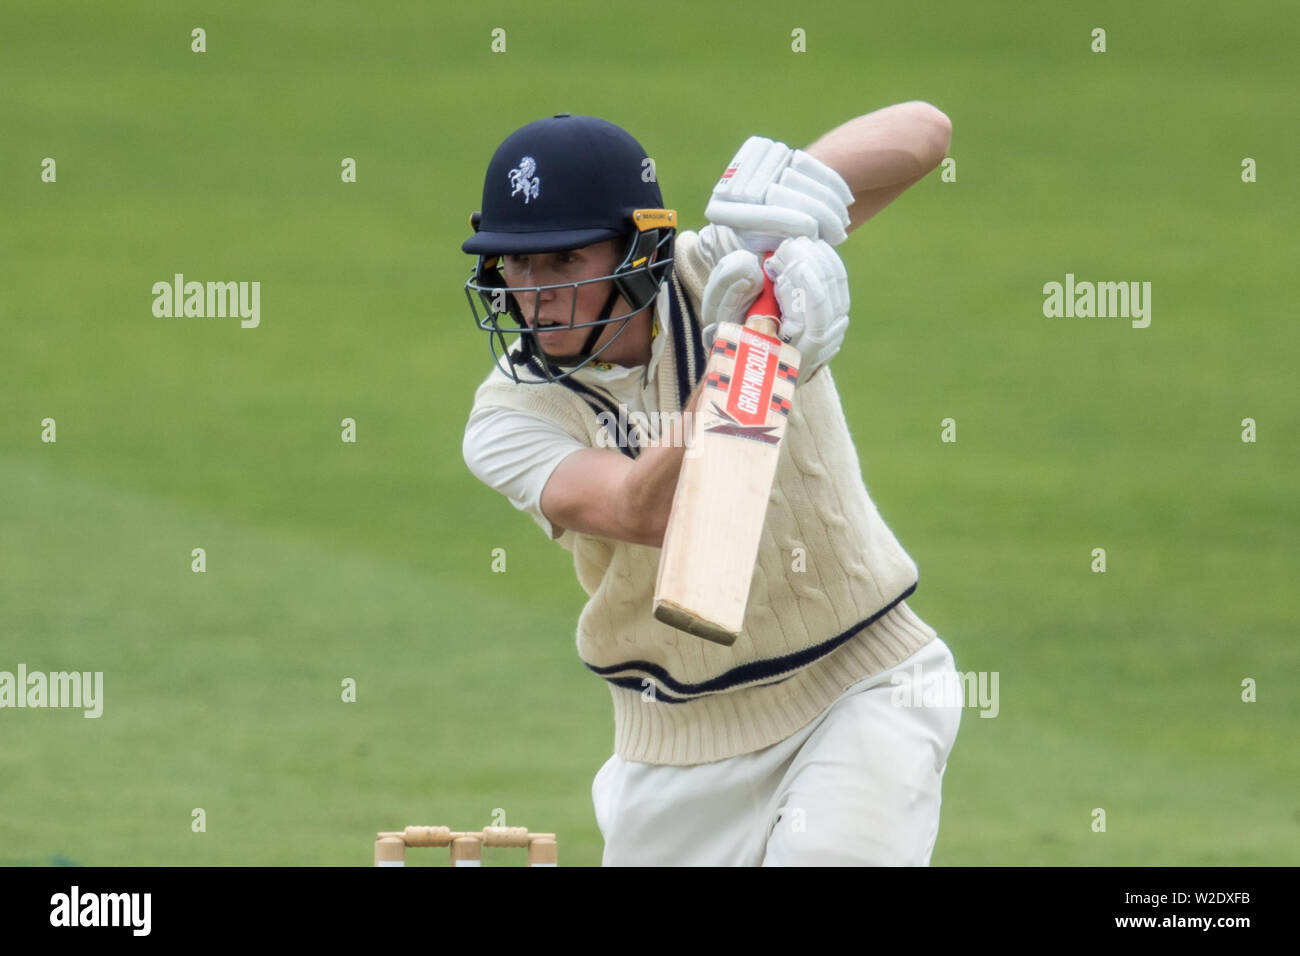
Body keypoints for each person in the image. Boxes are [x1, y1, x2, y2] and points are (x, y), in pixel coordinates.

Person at [461, 107, 961, 865]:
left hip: (860, 686)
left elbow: (927, 133)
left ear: (638, 250)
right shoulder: (507, 418)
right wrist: (749, 359)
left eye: (564, 262)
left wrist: (794, 205)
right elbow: (646, 509)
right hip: (675, 745)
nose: (536, 294)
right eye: (517, 264)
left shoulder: (730, 269)